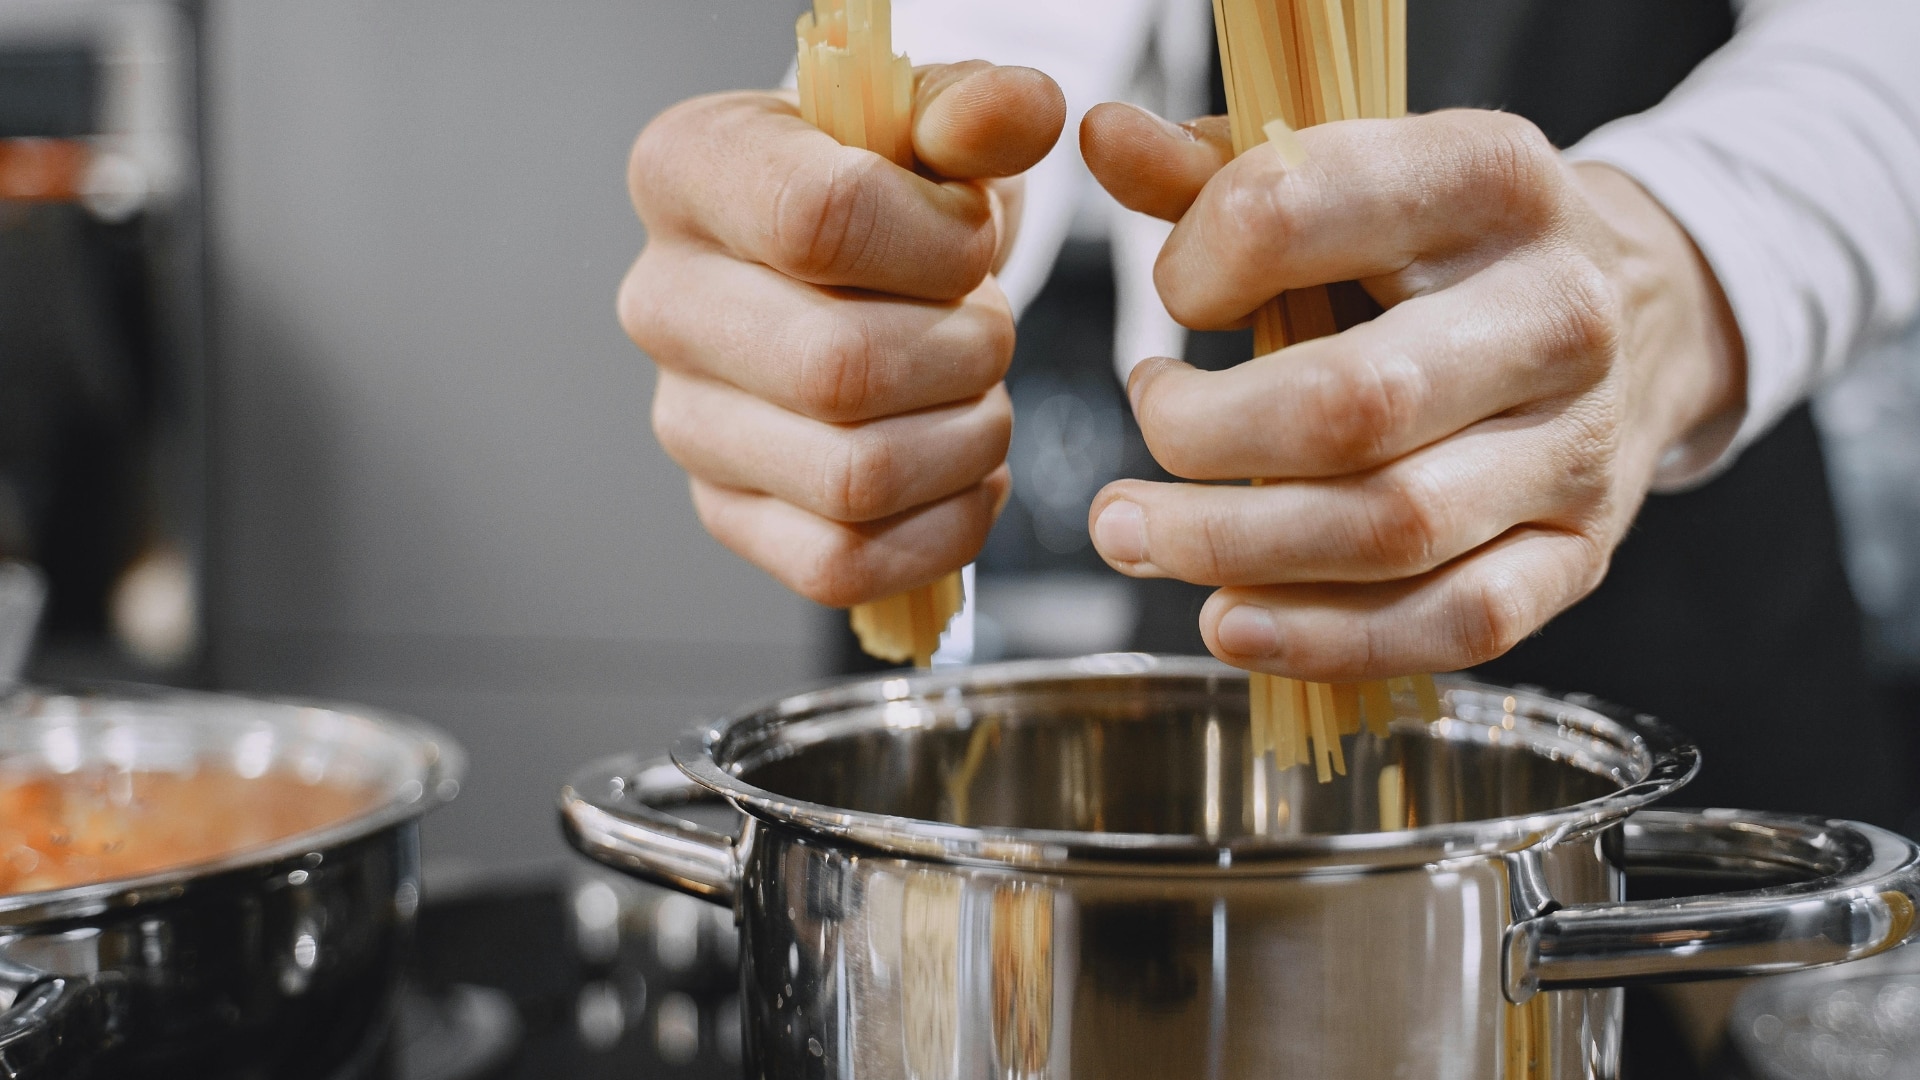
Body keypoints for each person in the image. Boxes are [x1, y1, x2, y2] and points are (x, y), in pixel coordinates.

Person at [620, 0, 1920, 830]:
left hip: (1690, 616)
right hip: (1212, 553)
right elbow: (980, 55)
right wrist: (861, 229)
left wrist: (1663, 270)